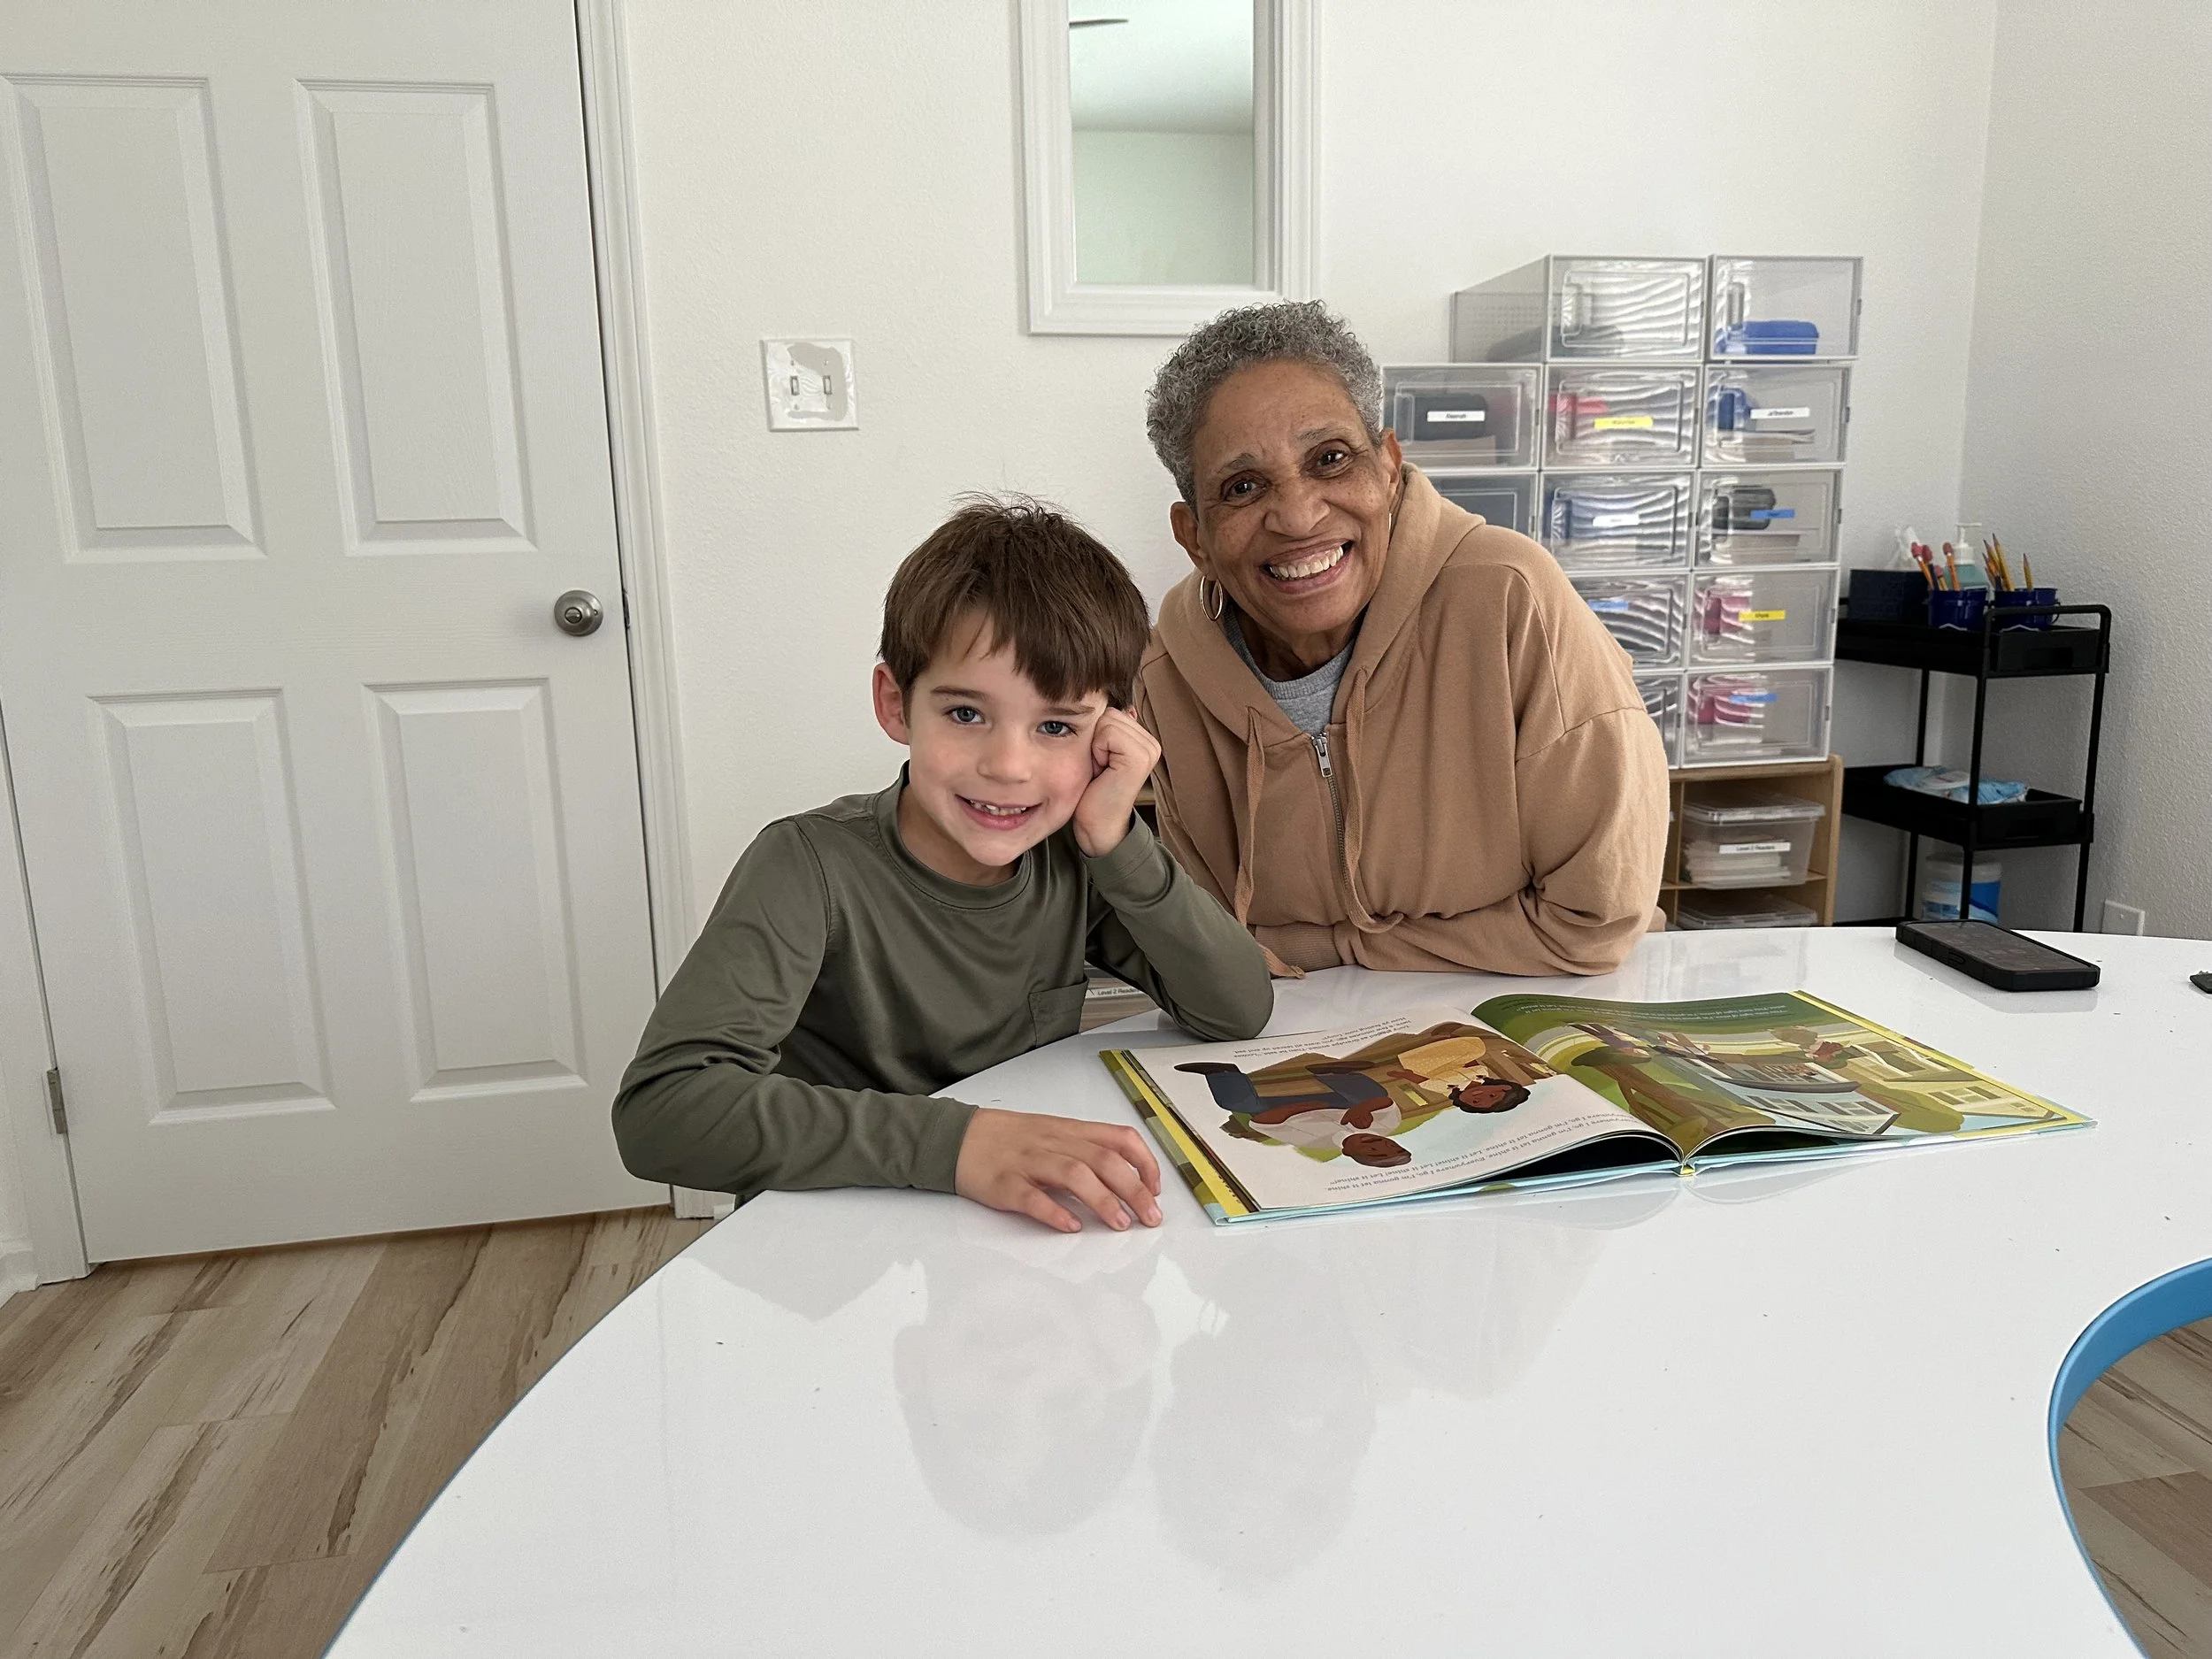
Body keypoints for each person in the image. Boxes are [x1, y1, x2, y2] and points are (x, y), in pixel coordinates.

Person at [613, 498, 1273, 1233]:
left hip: (1007, 1228)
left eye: (1056, 726)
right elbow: (662, 1112)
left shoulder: (1075, 859)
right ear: (896, 704)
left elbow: (1236, 1008)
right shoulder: (805, 866)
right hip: (834, 1242)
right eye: (966, 714)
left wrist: (1120, 842)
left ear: (1111, 736)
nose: (1009, 766)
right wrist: (960, 1141)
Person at [1135, 300, 1670, 977]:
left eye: (1330, 459)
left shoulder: (1513, 600)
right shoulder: (1167, 676)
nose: (1299, 517)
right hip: (1299, 1044)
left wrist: (1334, 947)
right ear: (1194, 537)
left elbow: (1597, 920)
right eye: (1243, 487)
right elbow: (1219, 947)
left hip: (1546, 1016)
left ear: (1388, 469)